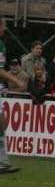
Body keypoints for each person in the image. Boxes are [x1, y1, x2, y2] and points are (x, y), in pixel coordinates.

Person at [0, 16, 26, 174]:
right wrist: (17, 81)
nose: (4, 29)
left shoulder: (1, 44)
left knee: (2, 124)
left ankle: (2, 162)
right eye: (3, 26)